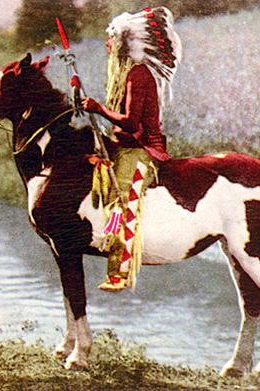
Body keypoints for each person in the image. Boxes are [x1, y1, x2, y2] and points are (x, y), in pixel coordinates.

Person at [81, 7, 182, 291]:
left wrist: (98, 109)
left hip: (142, 151)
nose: (106, 44)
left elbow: (130, 122)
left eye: (110, 38)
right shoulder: (126, 73)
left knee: (122, 202)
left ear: (124, 43)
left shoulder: (137, 75)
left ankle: (119, 273)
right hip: (123, 147)